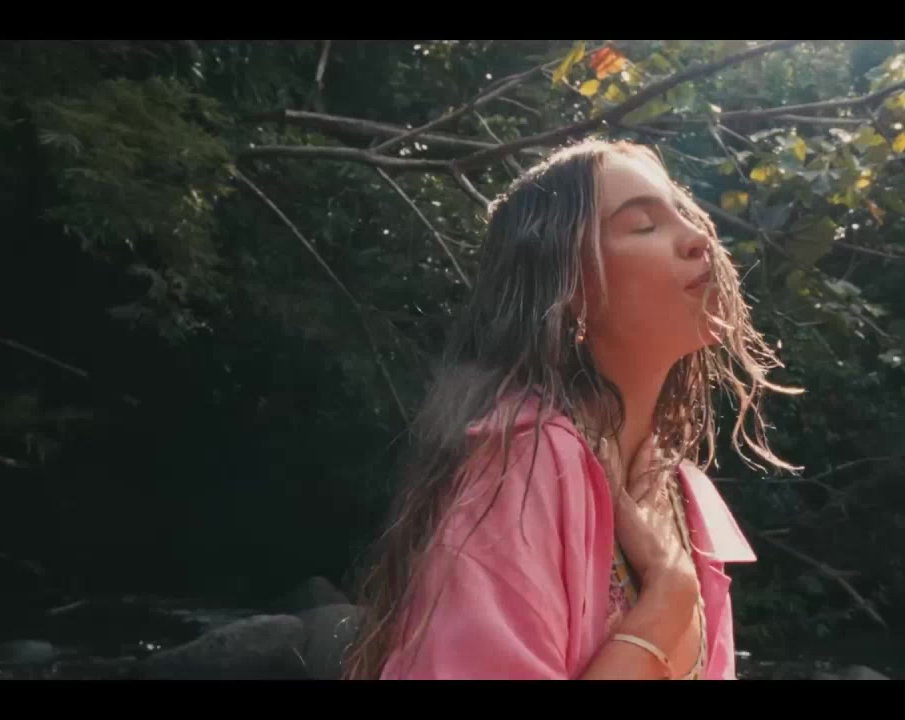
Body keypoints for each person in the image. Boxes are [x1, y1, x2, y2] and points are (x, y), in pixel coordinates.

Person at [342, 138, 801, 680]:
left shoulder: (684, 493)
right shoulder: (525, 461)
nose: (700, 238)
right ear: (571, 289)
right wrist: (669, 598)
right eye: (644, 226)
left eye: (686, 214)